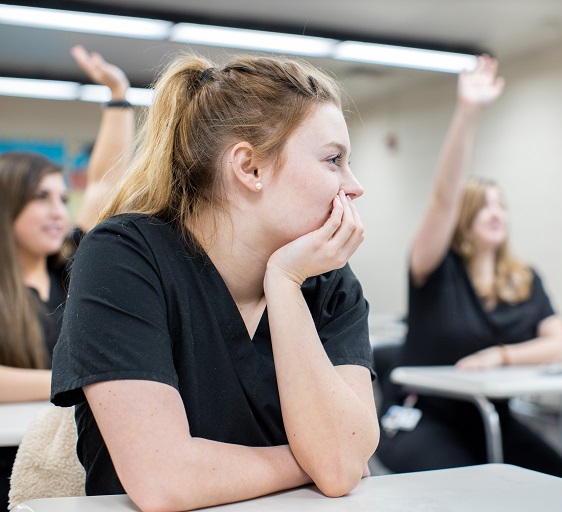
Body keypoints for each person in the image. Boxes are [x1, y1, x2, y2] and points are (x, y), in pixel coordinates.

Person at [50, 52, 379, 511]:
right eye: (333, 160)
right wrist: (312, 463)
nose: (354, 185)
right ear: (249, 168)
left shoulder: (329, 281)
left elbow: (343, 464)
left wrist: (284, 284)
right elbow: (164, 481)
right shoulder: (121, 257)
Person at [375, 56, 562, 476]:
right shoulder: (435, 267)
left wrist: (499, 356)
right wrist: (468, 114)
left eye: (502, 205)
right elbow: (443, 199)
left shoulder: (523, 279)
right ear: (463, 218)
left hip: (489, 418)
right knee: (472, 490)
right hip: (421, 417)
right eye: (484, 207)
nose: (496, 213)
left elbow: (560, 346)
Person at [0, 45, 133, 506]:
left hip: (68, 456)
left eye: (62, 198)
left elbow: (104, 183)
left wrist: (118, 94)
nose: (59, 212)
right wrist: (75, 378)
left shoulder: (73, 265)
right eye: (42, 198)